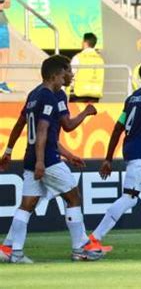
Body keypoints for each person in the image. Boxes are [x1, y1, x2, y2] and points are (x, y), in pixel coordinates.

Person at [1, 56, 104, 263]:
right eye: (67, 72)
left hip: (31, 156)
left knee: (27, 204)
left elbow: (22, 125)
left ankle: (14, 251)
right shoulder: (49, 96)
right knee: (73, 197)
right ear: (55, 75)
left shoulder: (34, 94)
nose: (70, 75)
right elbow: (43, 131)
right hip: (46, 158)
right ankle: (80, 248)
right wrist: (41, 161)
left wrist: (9, 151)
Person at [88, 61, 141, 258]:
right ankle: (94, 239)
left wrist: (108, 158)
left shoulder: (132, 98)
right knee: (129, 199)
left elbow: (118, 127)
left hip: (133, 151)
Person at [70, 33, 105, 103]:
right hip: (95, 94)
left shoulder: (78, 57)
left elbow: (70, 74)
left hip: (79, 94)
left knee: (78, 113)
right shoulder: (100, 59)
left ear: (85, 42)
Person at [0, 0, 11, 93]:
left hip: (2, 23)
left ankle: (2, 83)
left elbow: (8, 3)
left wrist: (3, 4)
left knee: (4, 52)